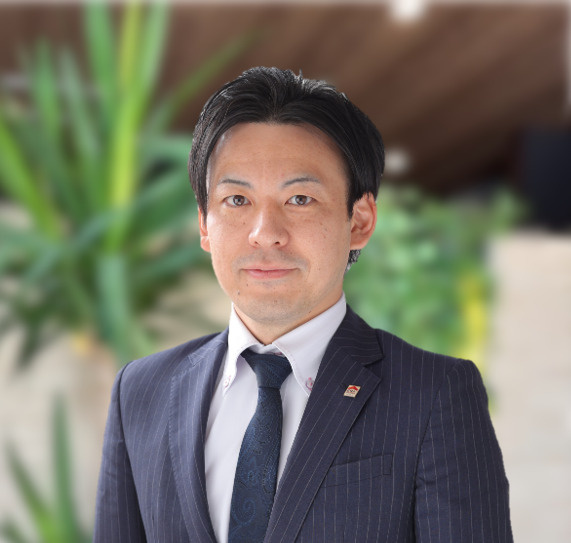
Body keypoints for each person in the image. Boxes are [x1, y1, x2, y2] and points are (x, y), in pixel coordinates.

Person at [94, 67, 512, 543]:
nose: (265, 233)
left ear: (359, 220)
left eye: (299, 198)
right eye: (237, 200)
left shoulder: (434, 395)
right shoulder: (140, 392)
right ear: (205, 224)